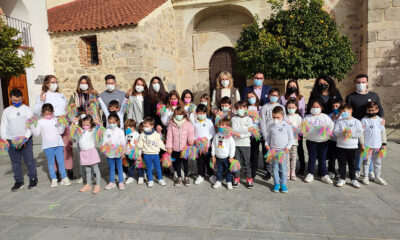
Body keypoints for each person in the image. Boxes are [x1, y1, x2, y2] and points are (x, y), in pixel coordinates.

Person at [34, 75, 74, 180]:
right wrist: (42, 101)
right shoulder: (43, 95)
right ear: (47, 84)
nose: (54, 84)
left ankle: (69, 169)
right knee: (54, 147)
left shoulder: (61, 95)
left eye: (56, 82)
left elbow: (66, 109)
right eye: (52, 82)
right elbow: (37, 111)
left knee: (67, 147)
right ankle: (56, 173)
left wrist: (72, 119)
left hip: (64, 121)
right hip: (52, 122)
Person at [346, 74, 385, 177]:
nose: (361, 84)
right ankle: (357, 169)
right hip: (357, 127)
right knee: (359, 149)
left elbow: (379, 109)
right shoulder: (350, 97)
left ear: (367, 83)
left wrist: (382, 118)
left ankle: (370, 171)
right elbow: (348, 111)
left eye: (363, 82)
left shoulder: (374, 95)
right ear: (355, 83)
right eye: (358, 82)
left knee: (371, 149)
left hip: (371, 128)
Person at [1, 88, 38, 191]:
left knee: (29, 160)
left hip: (25, 140)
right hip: (11, 140)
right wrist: (4, 138)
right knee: (15, 162)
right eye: (14, 100)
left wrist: (25, 138)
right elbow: (3, 125)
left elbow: (31, 125)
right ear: (10, 99)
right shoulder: (6, 111)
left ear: (23, 98)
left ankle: (33, 178)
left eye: (19, 100)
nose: (17, 102)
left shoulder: (27, 109)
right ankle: (18, 181)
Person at [31, 103, 71, 187]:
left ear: (53, 112)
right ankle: (54, 179)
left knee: (61, 162)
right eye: (46, 114)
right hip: (48, 146)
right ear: (42, 113)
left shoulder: (56, 119)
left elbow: (60, 131)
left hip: (58, 144)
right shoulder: (40, 122)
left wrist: (61, 124)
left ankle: (64, 178)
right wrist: (32, 126)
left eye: (50, 114)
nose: (48, 116)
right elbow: (37, 133)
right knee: (51, 163)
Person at [302, 98, 334, 184]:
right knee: (312, 157)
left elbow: (331, 126)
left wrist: (326, 131)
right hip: (311, 141)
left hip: (323, 141)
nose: (315, 108)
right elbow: (303, 128)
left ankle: (324, 174)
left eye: (317, 106)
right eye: (313, 106)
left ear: (321, 108)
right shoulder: (307, 118)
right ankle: (310, 173)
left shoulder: (325, 117)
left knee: (322, 158)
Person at [280, 79, 306, 176]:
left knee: (299, 149)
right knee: (286, 149)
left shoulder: (301, 98)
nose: (292, 87)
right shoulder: (283, 97)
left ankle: (301, 168)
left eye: (294, 85)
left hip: (297, 124)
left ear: (297, 87)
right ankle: (286, 169)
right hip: (287, 123)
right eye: (290, 85)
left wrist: (301, 125)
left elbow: (303, 111)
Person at [265, 106, 294, 193]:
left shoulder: (287, 126)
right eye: (274, 117)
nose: (276, 119)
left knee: (283, 169)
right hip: (273, 151)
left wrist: (288, 148)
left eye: (278, 117)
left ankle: (283, 184)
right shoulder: (271, 126)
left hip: (283, 151)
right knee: (274, 168)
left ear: (283, 116)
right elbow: (268, 137)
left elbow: (291, 139)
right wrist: (266, 144)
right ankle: (276, 184)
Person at [333, 104, 363, 188]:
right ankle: (342, 178)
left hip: (352, 146)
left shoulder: (356, 121)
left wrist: (351, 134)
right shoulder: (340, 121)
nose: (343, 113)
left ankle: (353, 179)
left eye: (344, 111)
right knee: (342, 163)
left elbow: (360, 133)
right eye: (341, 112)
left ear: (350, 111)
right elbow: (335, 132)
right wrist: (342, 133)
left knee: (352, 163)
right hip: (341, 146)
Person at [260, 88, 286, 180]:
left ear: (278, 97)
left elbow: (284, 121)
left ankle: (278, 170)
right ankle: (268, 171)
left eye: (276, 95)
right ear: (269, 95)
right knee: (268, 154)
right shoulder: (264, 107)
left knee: (278, 154)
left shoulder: (281, 107)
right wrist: (264, 135)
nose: (273, 97)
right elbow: (262, 122)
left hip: (278, 135)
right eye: (272, 95)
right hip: (268, 135)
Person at [360, 101, 387, 186]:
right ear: (366, 110)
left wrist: (384, 144)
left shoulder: (380, 120)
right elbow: (362, 133)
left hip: (378, 146)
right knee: (366, 162)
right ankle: (366, 177)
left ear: (377, 110)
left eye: (373, 110)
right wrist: (362, 143)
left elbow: (383, 132)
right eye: (369, 110)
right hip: (368, 146)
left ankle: (377, 177)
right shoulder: (364, 120)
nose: (371, 112)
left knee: (378, 162)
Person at [166, 106, 195, 186]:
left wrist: (191, 140)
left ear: (183, 114)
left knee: (185, 163)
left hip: (184, 148)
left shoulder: (188, 124)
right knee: (177, 163)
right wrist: (169, 147)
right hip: (175, 148)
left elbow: (191, 133)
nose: (178, 116)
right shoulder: (172, 124)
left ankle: (186, 177)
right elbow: (169, 136)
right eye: (176, 114)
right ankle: (179, 177)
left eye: (180, 114)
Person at [137, 117, 167, 187]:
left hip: (155, 154)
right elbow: (139, 146)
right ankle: (150, 180)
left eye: (147, 126)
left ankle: (160, 179)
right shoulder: (142, 135)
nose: (145, 128)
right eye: (144, 126)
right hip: (146, 155)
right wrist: (139, 155)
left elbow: (160, 143)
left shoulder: (156, 135)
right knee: (149, 168)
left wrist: (166, 149)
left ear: (152, 126)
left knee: (158, 167)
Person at [75, 115, 102, 194]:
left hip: (91, 151)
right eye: (83, 125)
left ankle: (97, 185)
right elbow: (73, 131)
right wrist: (73, 124)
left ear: (91, 124)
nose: (85, 126)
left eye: (87, 125)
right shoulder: (80, 131)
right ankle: (88, 184)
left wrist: (98, 124)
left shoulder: (93, 130)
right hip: (83, 152)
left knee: (95, 168)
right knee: (87, 170)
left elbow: (100, 130)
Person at [191, 104, 215, 185]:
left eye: (203, 113)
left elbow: (212, 132)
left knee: (208, 160)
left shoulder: (208, 121)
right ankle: (200, 175)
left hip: (207, 146)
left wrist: (206, 138)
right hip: (198, 146)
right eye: (200, 113)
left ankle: (211, 175)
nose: (202, 115)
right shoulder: (194, 122)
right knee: (200, 161)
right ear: (197, 113)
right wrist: (195, 140)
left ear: (206, 113)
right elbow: (192, 133)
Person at [231, 100, 253, 188]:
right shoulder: (234, 118)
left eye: (242, 108)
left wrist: (240, 135)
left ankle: (249, 179)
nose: (241, 110)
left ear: (246, 108)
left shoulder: (249, 119)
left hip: (246, 144)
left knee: (246, 162)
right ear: (236, 109)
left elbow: (250, 132)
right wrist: (246, 129)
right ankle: (236, 178)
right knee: (237, 162)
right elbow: (234, 129)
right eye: (239, 108)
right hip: (236, 144)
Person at [102, 113, 126, 190]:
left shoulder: (120, 131)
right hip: (110, 152)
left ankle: (121, 182)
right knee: (111, 168)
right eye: (110, 123)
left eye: (113, 123)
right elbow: (104, 140)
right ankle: (111, 182)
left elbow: (123, 142)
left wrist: (123, 152)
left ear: (117, 122)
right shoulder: (107, 130)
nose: (112, 124)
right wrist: (104, 149)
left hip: (118, 151)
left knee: (119, 167)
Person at [211, 118, 235, 190]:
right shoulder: (216, 135)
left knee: (228, 170)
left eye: (223, 125)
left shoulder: (229, 136)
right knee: (219, 170)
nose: (220, 126)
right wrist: (213, 155)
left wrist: (231, 156)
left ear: (228, 127)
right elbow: (213, 145)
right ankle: (218, 181)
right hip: (218, 157)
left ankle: (229, 181)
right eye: (220, 125)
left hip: (226, 157)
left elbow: (232, 147)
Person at [285, 98, 302, 181]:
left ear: (296, 108)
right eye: (289, 107)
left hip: (294, 141)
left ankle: (293, 172)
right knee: (287, 157)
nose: (290, 109)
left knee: (294, 157)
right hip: (286, 142)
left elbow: (301, 129)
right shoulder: (285, 117)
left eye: (292, 107)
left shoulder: (298, 117)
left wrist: (296, 129)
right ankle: (287, 172)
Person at [246, 92, 261, 179]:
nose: (250, 98)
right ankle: (248, 167)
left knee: (255, 152)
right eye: (248, 97)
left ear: (256, 97)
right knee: (248, 152)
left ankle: (253, 170)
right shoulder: (246, 108)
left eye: (252, 96)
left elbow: (261, 121)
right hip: (247, 133)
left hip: (256, 133)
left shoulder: (260, 108)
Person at [124, 119, 143, 185]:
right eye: (125, 128)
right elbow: (126, 143)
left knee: (138, 165)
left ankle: (140, 176)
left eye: (127, 128)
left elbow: (139, 146)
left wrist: (139, 155)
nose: (126, 129)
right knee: (131, 165)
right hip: (128, 153)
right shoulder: (127, 134)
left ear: (132, 127)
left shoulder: (137, 134)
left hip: (135, 153)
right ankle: (131, 176)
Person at [327, 99, 342, 179]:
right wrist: (332, 118)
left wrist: (340, 117)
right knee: (331, 157)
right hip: (332, 139)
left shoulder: (343, 115)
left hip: (340, 140)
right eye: (333, 107)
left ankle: (340, 171)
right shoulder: (330, 115)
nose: (335, 108)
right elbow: (327, 124)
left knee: (340, 157)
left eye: (337, 106)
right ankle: (331, 171)